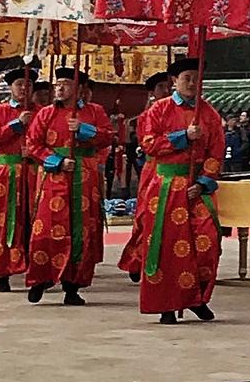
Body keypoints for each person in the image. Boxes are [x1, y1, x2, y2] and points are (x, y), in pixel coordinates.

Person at [133, 60, 226, 324]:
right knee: (166, 246)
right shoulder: (159, 110)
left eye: (197, 78)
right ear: (174, 81)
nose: (192, 83)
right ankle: (167, 305)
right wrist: (183, 136)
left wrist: (205, 182)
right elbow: (149, 144)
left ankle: (196, 297)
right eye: (187, 78)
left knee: (207, 240)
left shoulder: (209, 114)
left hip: (197, 186)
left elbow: (216, 152)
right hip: (166, 187)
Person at [26, 69, 117, 305]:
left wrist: (85, 130)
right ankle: (40, 278)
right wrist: (56, 161)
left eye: (66, 84)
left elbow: (108, 137)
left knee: (81, 230)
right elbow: (33, 144)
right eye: (58, 84)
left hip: (84, 176)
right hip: (54, 177)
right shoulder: (46, 114)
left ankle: (72, 286)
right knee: (46, 226)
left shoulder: (94, 112)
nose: (60, 89)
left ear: (79, 89)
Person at [0, 65, 38, 294]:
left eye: (28, 85)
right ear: (11, 88)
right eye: (20, 84)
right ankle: (1, 272)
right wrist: (17, 125)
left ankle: (36, 270)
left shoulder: (42, 112)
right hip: (6, 173)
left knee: (33, 221)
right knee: (3, 222)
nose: (24, 88)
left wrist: (32, 150)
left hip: (32, 172)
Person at [118, 75, 175, 283]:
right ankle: (137, 258)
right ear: (152, 92)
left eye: (168, 86)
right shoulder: (148, 116)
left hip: (177, 169)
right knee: (146, 217)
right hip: (155, 168)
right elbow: (149, 143)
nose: (166, 90)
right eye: (161, 87)